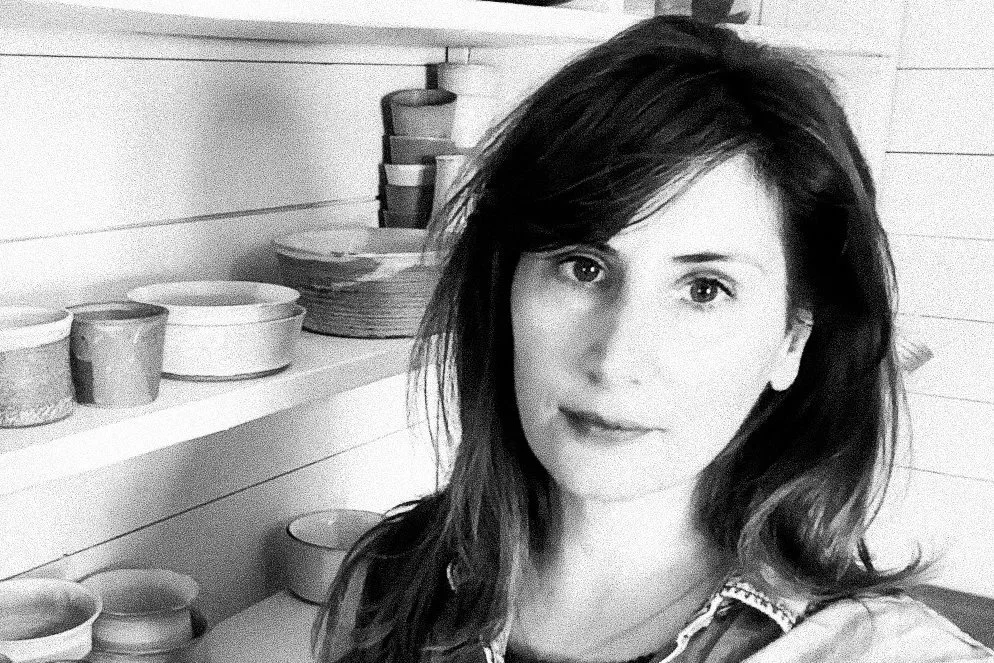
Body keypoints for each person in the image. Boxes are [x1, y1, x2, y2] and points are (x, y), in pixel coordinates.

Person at [314, 16, 994, 663]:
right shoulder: (384, 587)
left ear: (792, 339)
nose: (616, 359)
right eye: (583, 266)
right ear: (505, 289)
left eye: (705, 289)